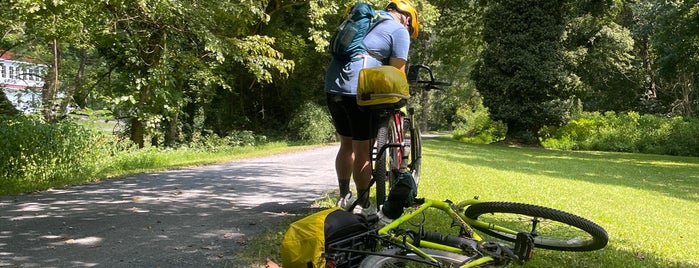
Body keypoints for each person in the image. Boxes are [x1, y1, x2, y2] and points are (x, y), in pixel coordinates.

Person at [324, 0, 420, 216]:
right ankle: (363, 204)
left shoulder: (366, 20)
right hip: (360, 88)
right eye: (410, 27)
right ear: (407, 18)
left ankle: (343, 195)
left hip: (333, 86)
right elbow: (398, 72)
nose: (408, 30)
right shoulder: (398, 30)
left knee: (346, 144)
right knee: (363, 149)